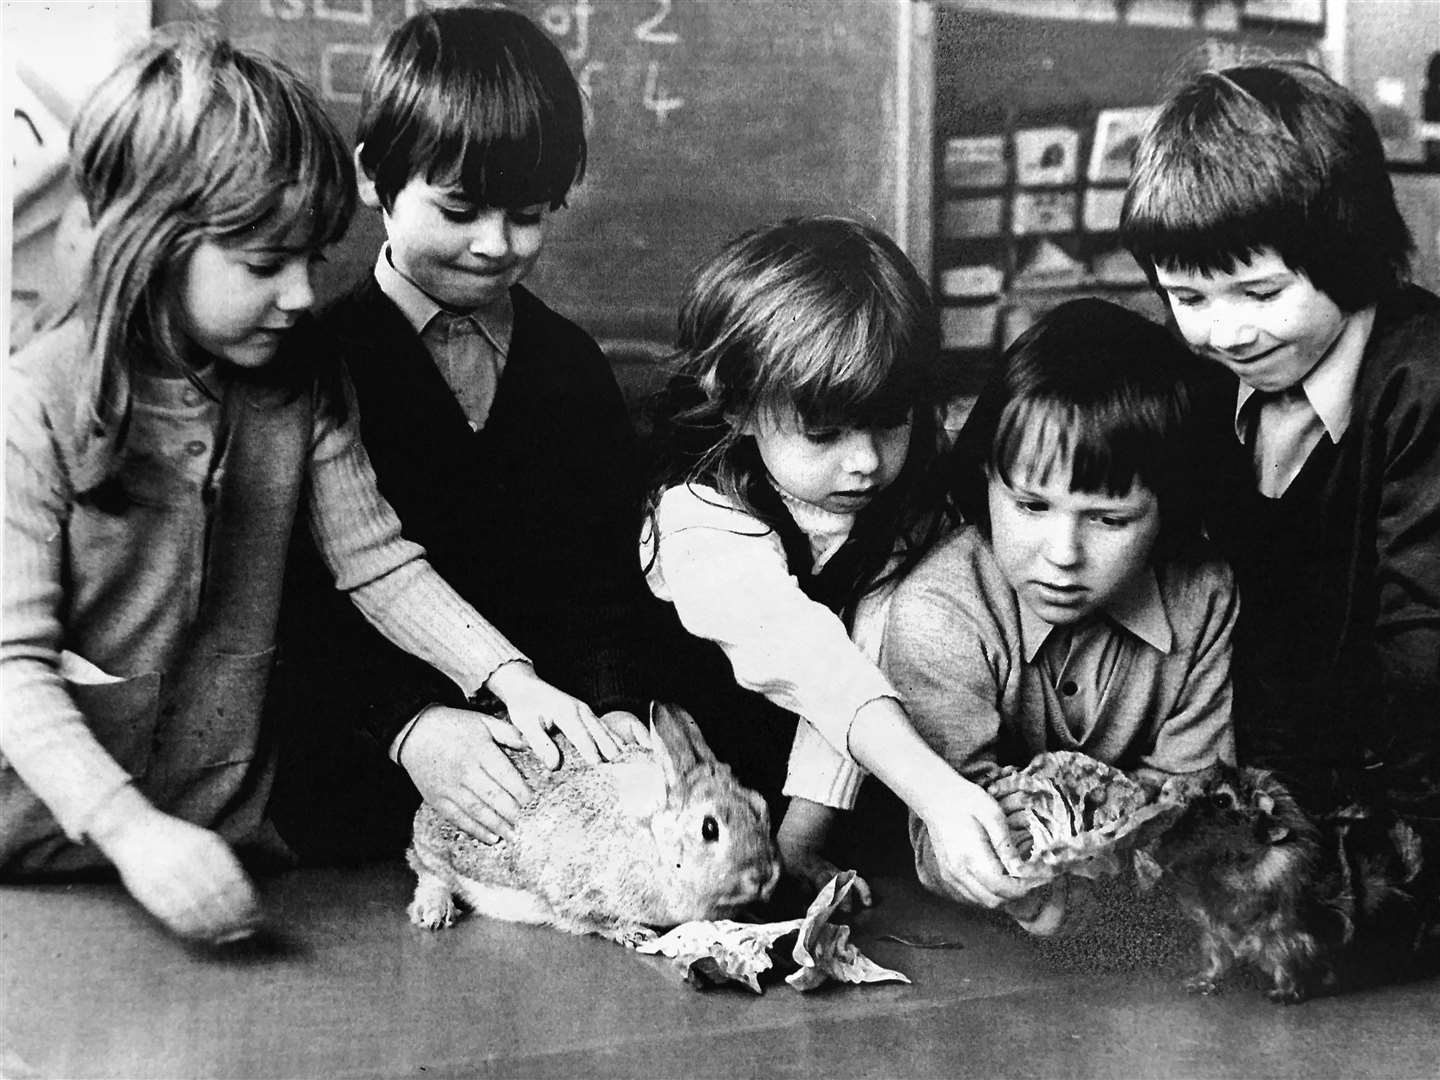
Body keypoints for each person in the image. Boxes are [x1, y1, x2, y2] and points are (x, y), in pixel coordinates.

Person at [1, 25, 617, 944]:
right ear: (152, 243)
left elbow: (378, 562)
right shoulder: (31, 407)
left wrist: (510, 679)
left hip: (230, 846)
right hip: (43, 861)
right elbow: (12, 669)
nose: (299, 296)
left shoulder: (300, 380)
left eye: (312, 259)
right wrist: (132, 833)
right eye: (263, 265)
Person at [266, 6, 669, 861]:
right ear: (375, 176)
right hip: (350, 811)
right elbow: (287, 609)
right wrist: (410, 728)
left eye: (530, 214)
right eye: (460, 208)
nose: (497, 244)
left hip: (551, 805)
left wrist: (617, 709)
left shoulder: (570, 367)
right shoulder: (307, 360)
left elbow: (606, 586)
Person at [642, 215, 1031, 911]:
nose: (867, 461)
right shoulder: (697, 515)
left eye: (892, 421)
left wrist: (797, 849)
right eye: (824, 433)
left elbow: (871, 652)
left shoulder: (915, 519)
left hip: (830, 830)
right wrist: (935, 791)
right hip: (693, 840)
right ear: (738, 407)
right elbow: (811, 658)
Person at [1120, 60, 1440, 823]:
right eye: (1187, 297)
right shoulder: (1204, 381)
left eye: (1261, 292)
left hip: (1404, 797)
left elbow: (1424, 652)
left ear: (1350, 254)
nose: (1225, 331)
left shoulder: (1423, 383)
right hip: (1266, 783)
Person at [876, 298, 1237, 932]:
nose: (1062, 556)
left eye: (1109, 519)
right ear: (987, 477)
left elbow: (1194, 799)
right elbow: (948, 827)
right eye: (1031, 507)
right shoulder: (938, 608)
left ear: (1169, 510)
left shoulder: (1205, 599)